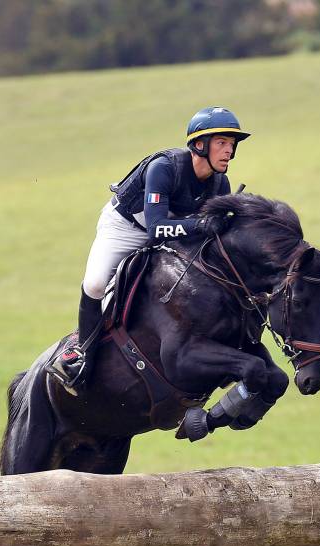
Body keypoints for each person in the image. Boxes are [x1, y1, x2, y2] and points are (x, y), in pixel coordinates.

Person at [47, 106, 251, 390]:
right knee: (95, 284)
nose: (228, 151)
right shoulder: (165, 167)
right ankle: (80, 352)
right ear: (200, 145)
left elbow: (204, 230)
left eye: (231, 145)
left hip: (172, 233)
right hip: (125, 228)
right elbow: (156, 228)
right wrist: (203, 224)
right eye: (221, 143)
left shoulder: (220, 182)